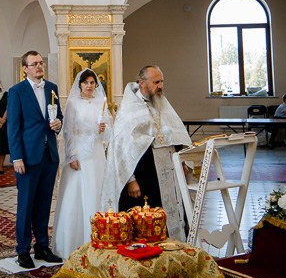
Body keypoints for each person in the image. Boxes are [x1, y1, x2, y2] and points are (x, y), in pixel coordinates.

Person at [100, 65, 191, 240]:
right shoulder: (129, 110)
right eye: (156, 82)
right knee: (145, 225)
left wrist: (184, 162)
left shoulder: (163, 105)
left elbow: (178, 135)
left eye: (162, 81)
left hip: (168, 174)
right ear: (142, 83)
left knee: (169, 216)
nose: (161, 86)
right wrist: (131, 180)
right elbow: (120, 149)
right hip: (144, 177)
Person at [7, 50, 64, 268]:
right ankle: (22, 250)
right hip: (28, 157)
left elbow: (57, 115)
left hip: (49, 154)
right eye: (34, 64)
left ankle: (42, 246)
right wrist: (17, 157)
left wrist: (58, 122)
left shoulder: (52, 88)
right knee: (26, 204)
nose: (39, 66)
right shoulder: (17, 92)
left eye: (41, 63)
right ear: (25, 68)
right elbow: (13, 127)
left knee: (43, 203)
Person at [53, 69, 109, 257]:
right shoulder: (73, 103)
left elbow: (108, 131)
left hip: (96, 152)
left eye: (92, 82)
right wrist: (71, 156)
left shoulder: (101, 102)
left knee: (97, 191)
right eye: (86, 83)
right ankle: (74, 242)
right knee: (77, 194)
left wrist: (103, 128)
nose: (89, 86)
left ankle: (99, 239)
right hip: (79, 153)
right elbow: (68, 131)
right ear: (80, 85)